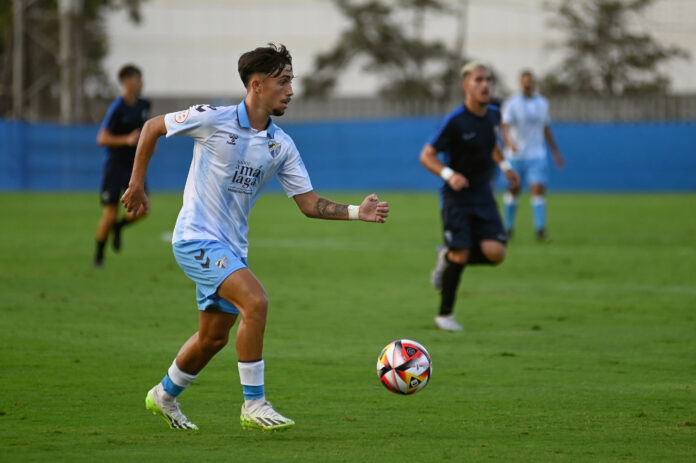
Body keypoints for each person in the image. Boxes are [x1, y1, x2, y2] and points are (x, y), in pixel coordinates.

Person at [121, 44, 389, 432]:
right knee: (256, 301)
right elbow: (152, 127)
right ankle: (254, 404)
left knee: (212, 338)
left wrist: (354, 212)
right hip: (196, 239)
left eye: (291, 81)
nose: (291, 90)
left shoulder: (281, 145)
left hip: (231, 249)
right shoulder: (212, 118)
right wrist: (137, 184)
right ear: (257, 84)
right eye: (284, 82)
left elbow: (309, 203)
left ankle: (163, 395)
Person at [420, 61, 519, 332]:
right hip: (457, 197)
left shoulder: (493, 116)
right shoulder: (455, 120)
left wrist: (506, 167)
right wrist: (449, 174)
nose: (485, 85)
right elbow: (426, 155)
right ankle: (445, 315)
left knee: (496, 253)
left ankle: (447, 255)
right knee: (462, 253)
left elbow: (492, 146)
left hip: (483, 195)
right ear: (466, 86)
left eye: (488, 80)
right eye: (478, 80)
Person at [94, 64, 150, 267]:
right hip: (114, 167)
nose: (141, 83)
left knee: (143, 209)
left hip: (134, 166)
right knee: (109, 213)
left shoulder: (144, 105)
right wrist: (126, 140)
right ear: (126, 81)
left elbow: (146, 132)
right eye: (137, 79)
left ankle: (119, 227)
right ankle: (99, 256)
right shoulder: (117, 107)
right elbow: (102, 138)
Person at [500, 69, 564, 241]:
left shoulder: (542, 103)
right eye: (525, 80)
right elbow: (504, 126)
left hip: (537, 154)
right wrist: (508, 143)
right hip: (515, 154)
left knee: (538, 189)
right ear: (520, 83)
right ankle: (508, 228)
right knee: (513, 189)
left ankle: (540, 229)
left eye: (531, 80)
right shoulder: (512, 103)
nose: (528, 83)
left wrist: (555, 151)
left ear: (534, 82)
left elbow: (546, 128)